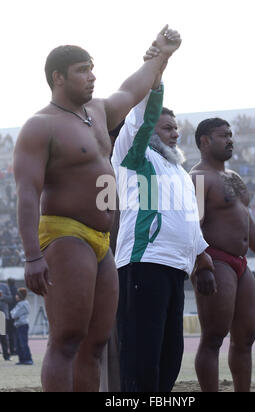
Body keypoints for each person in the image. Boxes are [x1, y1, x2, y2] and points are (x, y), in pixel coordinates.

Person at [13, 25, 182, 392]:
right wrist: (30, 257)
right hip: (64, 233)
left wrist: (161, 53)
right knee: (68, 339)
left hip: (102, 239)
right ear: (58, 78)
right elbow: (27, 193)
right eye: (82, 71)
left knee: (95, 343)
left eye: (92, 69)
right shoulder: (40, 126)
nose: (92, 77)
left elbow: (133, 87)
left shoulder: (99, 112)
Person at [111, 64, 213, 392]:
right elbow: (140, 115)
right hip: (144, 263)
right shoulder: (136, 157)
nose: (176, 134)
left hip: (176, 268)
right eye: (168, 127)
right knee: (143, 357)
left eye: (176, 128)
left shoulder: (180, 173)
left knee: (170, 356)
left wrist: (203, 258)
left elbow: (189, 220)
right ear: (151, 129)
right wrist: (159, 68)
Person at [190, 117, 255, 392]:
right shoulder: (197, 178)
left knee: (245, 338)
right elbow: (191, 224)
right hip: (215, 259)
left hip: (241, 264)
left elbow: (247, 222)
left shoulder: (234, 178)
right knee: (214, 336)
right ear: (205, 141)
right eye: (224, 135)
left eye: (231, 134)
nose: (230, 139)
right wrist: (201, 264)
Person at [10, 288, 33, 365]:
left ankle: (28, 359)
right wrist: (13, 313)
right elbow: (13, 313)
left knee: (23, 343)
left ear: (20, 296)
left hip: (22, 325)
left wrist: (13, 313)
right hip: (20, 325)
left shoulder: (22, 304)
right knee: (19, 343)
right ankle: (22, 359)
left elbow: (13, 315)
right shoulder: (21, 304)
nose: (15, 296)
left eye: (17, 295)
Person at [0, 282, 12, 361]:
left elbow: (10, 299)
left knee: (3, 336)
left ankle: (6, 356)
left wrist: (2, 296)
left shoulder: (4, 286)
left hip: (2, 315)